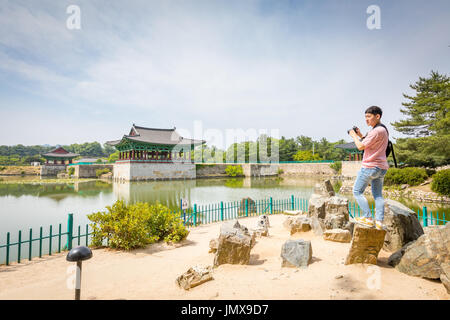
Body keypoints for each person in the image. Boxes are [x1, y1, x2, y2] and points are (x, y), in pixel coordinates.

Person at [348, 106, 389, 230]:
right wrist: (360, 134)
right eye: (365, 117)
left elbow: (360, 146)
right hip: (381, 168)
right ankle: (379, 222)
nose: (366, 119)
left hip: (370, 166)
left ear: (378, 116)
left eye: (369, 117)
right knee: (377, 195)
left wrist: (353, 135)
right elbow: (368, 143)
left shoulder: (375, 131)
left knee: (357, 192)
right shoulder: (383, 130)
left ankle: (368, 218)